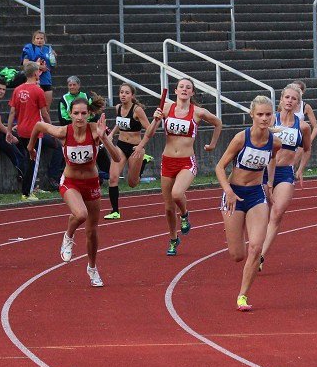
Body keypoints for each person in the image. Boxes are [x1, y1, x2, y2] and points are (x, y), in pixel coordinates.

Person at [28, 95, 124, 287]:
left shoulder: (96, 131)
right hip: (70, 182)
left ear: (89, 114)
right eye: (76, 113)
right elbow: (39, 125)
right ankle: (68, 236)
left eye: (83, 113)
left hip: (92, 184)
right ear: (70, 114)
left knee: (92, 232)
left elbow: (116, 158)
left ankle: (92, 268)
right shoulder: (64, 132)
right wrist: (31, 147)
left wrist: (104, 138)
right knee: (80, 214)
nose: (79, 117)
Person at [133, 78, 223, 256]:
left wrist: (212, 144)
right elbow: (150, 133)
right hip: (167, 160)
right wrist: (154, 122)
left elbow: (218, 123)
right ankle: (173, 239)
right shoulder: (166, 108)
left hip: (186, 161)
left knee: (177, 193)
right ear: (175, 91)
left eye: (188, 87)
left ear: (192, 93)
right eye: (181, 87)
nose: (184, 89)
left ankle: (185, 214)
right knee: (167, 207)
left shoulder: (198, 112)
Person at [215, 96, 282, 312]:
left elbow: (271, 160)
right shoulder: (240, 138)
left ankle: (242, 296)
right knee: (237, 255)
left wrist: (269, 183)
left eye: (268, 114)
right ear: (251, 115)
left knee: (255, 247)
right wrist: (228, 191)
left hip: (256, 196)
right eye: (260, 114)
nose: (264, 118)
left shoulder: (276, 142)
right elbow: (219, 167)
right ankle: (232, 225)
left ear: (273, 115)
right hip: (234, 193)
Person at [258, 84, 313, 269]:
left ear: (299, 103)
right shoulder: (270, 119)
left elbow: (307, 149)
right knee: (258, 212)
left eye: (294, 98)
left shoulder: (303, 127)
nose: (290, 101)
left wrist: (300, 169)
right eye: (287, 97)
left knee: (277, 211)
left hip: (285, 172)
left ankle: (260, 255)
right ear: (280, 100)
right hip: (262, 170)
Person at [7, 63, 63, 198]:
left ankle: (27, 189)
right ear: (36, 73)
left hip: (22, 130)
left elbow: (12, 112)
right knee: (33, 161)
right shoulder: (38, 91)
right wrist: (52, 129)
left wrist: (9, 130)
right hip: (35, 131)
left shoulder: (17, 90)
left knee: (29, 159)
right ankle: (27, 192)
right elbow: (44, 113)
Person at [104, 83, 150, 219]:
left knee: (132, 183)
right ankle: (115, 211)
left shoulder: (137, 110)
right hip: (121, 146)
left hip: (135, 148)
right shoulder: (118, 107)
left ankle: (144, 160)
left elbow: (149, 129)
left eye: (126, 93)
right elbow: (120, 123)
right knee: (113, 178)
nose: (123, 95)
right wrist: (112, 134)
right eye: (121, 92)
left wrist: (141, 146)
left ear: (132, 95)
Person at [58, 75, 111, 179]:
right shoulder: (63, 99)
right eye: (70, 85)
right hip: (72, 130)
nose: (72, 87)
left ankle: (107, 174)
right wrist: (76, 122)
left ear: (79, 85)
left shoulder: (85, 96)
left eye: (74, 85)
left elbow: (92, 113)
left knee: (99, 149)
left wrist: (86, 123)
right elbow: (63, 117)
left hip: (87, 128)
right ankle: (63, 176)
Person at [20, 30, 55, 108]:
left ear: (44, 40)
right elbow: (25, 63)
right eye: (37, 38)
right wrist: (39, 66)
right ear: (34, 40)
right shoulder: (29, 48)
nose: (39, 40)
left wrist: (54, 58)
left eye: (41, 38)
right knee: (34, 107)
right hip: (34, 80)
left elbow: (53, 65)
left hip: (46, 80)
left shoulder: (48, 50)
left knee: (46, 108)